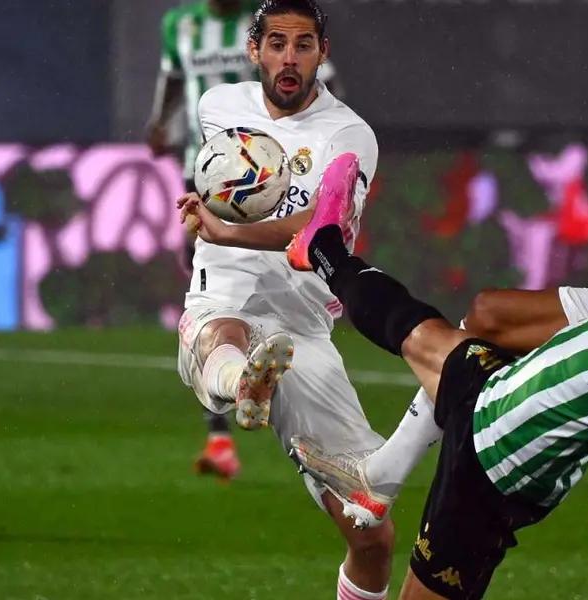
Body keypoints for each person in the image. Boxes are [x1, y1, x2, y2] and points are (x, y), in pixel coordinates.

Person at [289, 20, 588, 598]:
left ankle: (375, 484)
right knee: (411, 325)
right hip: (492, 381)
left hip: (494, 475)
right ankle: (322, 247)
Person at [173, 2, 393, 598]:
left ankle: (250, 378)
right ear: (255, 49)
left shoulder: (348, 136)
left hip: (303, 330)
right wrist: (211, 217)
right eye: (276, 43)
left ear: (323, 51)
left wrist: (229, 230)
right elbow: (220, 181)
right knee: (223, 334)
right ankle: (242, 382)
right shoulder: (217, 107)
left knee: (371, 534)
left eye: (302, 44)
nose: (288, 58)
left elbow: (325, 227)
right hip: (225, 294)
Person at [147, 0, 337, 480]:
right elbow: (173, 82)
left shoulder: (272, 27)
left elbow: (320, 84)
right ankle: (224, 423)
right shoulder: (180, 25)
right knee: (213, 292)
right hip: (209, 181)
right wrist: (160, 123)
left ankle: (251, 391)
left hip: (280, 180)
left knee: (247, 288)